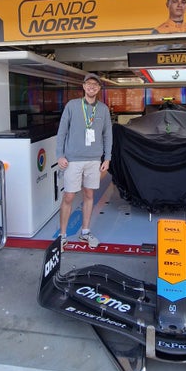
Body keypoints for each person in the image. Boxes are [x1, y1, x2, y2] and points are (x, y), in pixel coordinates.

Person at [56, 72, 112, 249]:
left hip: (94, 160)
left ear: (99, 88)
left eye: (95, 84)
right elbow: (62, 132)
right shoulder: (72, 106)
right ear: (83, 86)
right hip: (73, 159)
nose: (91, 87)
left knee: (89, 195)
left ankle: (85, 232)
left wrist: (107, 158)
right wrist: (60, 155)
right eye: (89, 84)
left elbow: (108, 135)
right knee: (69, 196)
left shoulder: (103, 109)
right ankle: (62, 235)